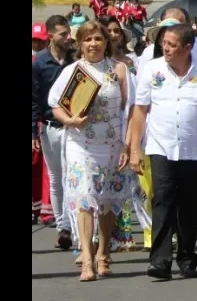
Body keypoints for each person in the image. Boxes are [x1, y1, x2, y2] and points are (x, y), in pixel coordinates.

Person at [127, 23, 197, 280]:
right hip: (160, 146)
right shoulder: (152, 69)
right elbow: (140, 110)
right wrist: (134, 149)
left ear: (188, 47)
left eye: (172, 45)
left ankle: (187, 257)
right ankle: (160, 261)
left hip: (194, 150)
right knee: (162, 200)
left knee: (189, 206)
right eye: (164, 43)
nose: (166, 48)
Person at [47, 21, 134, 281]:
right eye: (88, 39)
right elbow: (55, 104)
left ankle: (104, 254)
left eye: (98, 39)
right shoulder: (72, 72)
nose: (93, 44)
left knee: (106, 200)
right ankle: (86, 257)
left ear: (107, 42)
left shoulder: (119, 70)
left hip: (112, 145)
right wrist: (70, 121)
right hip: (80, 144)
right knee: (85, 197)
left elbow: (131, 109)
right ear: (80, 44)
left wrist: (128, 145)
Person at [32, 15, 76, 251]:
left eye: (68, 33)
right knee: (57, 179)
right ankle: (63, 228)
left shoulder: (75, 61)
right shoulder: (39, 63)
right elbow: (33, 101)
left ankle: (75, 225)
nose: (68, 37)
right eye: (62, 34)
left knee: (74, 178)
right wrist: (33, 134)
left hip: (75, 128)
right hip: (49, 129)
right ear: (50, 36)